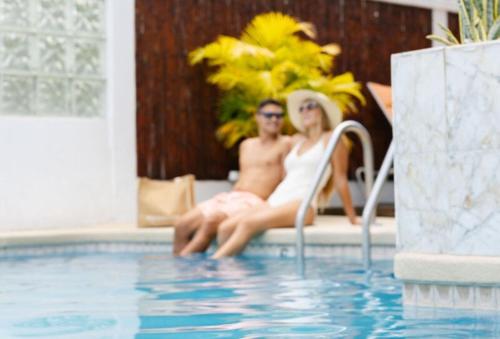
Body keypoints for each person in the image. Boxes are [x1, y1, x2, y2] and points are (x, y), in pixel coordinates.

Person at [212, 90, 358, 259]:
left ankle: (217, 268)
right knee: (225, 227)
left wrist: (352, 218)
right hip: (277, 199)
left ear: (322, 111)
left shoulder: (332, 139)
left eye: (311, 106)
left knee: (247, 224)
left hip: (303, 202)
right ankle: (231, 272)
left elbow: (340, 179)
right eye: (302, 109)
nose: (305, 111)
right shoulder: (297, 140)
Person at [173, 99, 291, 256]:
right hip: (231, 197)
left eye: (279, 116)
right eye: (269, 115)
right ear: (257, 117)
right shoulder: (246, 145)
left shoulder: (285, 144)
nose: (274, 119)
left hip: (255, 200)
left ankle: (182, 268)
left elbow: (286, 179)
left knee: (211, 222)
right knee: (181, 224)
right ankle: (180, 269)